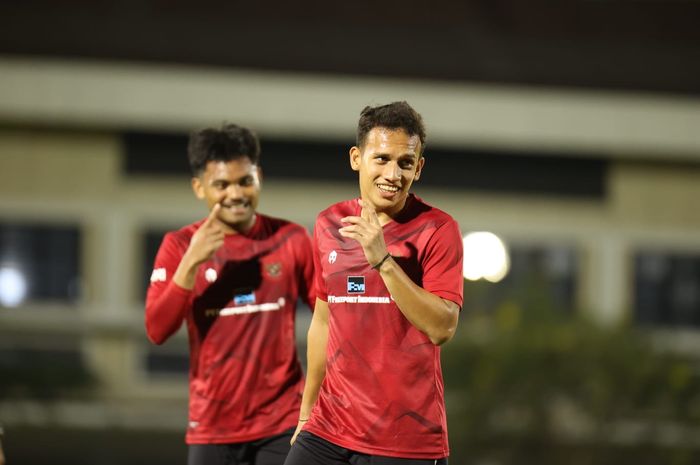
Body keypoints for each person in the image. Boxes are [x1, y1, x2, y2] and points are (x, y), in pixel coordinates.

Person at [285, 101, 464, 465]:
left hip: (403, 439)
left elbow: (442, 327)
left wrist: (382, 259)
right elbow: (322, 323)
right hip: (329, 427)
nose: (393, 174)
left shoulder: (439, 229)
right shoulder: (327, 224)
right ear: (356, 158)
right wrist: (306, 412)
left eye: (405, 163)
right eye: (381, 159)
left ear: (419, 168)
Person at [145, 124, 315, 465]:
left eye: (244, 182)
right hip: (212, 426)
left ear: (259, 177)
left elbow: (331, 319)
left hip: (281, 424)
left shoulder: (292, 239)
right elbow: (157, 330)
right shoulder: (180, 246)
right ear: (199, 187)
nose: (235, 194)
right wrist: (191, 264)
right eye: (221, 185)